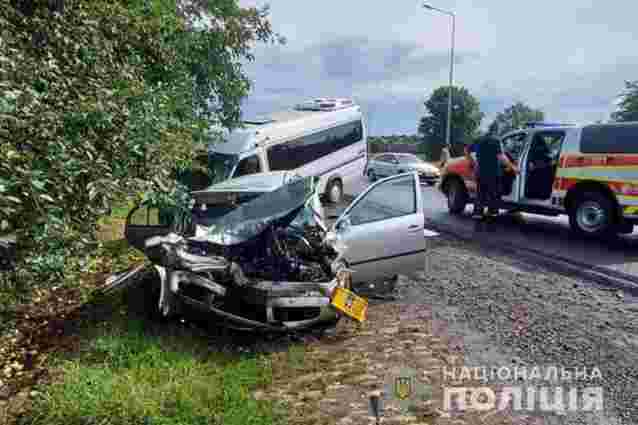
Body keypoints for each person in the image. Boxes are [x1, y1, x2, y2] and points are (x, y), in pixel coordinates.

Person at [465, 135, 518, 220]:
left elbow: (467, 151)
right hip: (493, 172)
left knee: (480, 193)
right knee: (494, 193)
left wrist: (473, 163)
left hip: (480, 172)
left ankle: (478, 213)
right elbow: (501, 157)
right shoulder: (496, 141)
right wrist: (512, 167)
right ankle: (492, 213)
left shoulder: (478, 140)